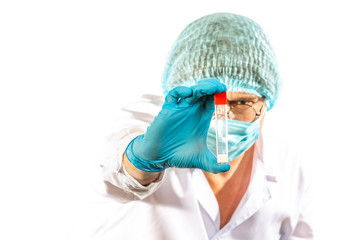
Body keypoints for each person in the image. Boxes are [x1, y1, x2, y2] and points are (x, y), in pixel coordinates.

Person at [96, 12, 313, 239]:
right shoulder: (150, 121)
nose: (224, 118)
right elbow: (110, 170)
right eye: (209, 101)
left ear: (267, 102)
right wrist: (140, 163)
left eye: (243, 102)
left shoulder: (291, 164)